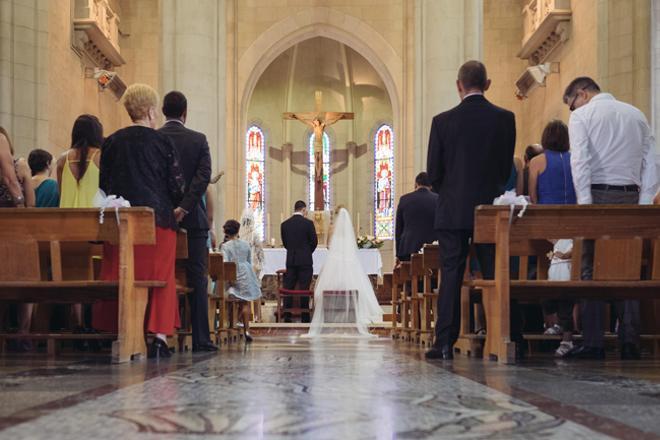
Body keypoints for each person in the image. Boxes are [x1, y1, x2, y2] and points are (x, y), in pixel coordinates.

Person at [425, 60, 516, 360]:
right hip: (489, 209)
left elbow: (433, 173)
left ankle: (443, 344)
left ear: (458, 85)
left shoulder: (442, 121)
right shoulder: (504, 118)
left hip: (452, 210)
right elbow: (506, 169)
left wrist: (452, 192)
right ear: (487, 84)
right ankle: (500, 338)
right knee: (494, 271)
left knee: (451, 274)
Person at [564, 76, 659, 360]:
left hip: (598, 196)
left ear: (581, 94)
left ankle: (593, 342)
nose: (572, 109)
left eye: (571, 104)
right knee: (627, 270)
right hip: (631, 197)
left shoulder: (582, 116)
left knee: (590, 268)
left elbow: (580, 161)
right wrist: (642, 204)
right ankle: (629, 340)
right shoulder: (636, 114)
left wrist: (586, 206)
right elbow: (651, 162)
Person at [92, 83, 185, 359]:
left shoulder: (111, 142)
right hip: (156, 220)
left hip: (122, 221)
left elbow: (104, 184)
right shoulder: (163, 142)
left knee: (121, 273)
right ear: (150, 111)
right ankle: (157, 337)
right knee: (160, 276)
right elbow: (176, 187)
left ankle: (116, 330)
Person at [157, 91, 216, 353]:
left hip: (159, 218)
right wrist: (185, 207)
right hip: (194, 221)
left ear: (162, 111)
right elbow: (203, 178)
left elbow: (154, 177)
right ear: (185, 112)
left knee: (161, 274)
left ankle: (158, 335)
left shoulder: (154, 139)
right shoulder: (198, 140)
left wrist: (170, 208)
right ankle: (201, 339)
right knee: (197, 278)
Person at [528, 119, 577, 357]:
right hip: (573, 224)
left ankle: (554, 323)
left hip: (547, 227)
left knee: (547, 272)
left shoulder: (537, 162)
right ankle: (562, 327)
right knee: (566, 273)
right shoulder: (575, 159)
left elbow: (533, 197)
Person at [306, 208, 383, 337]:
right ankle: (356, 312)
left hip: (334, 260)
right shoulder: (350, 229)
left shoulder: (331, 229)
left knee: (327, 284)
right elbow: (352, 246)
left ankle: (329, 313)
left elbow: (328, 246)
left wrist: (335, 252)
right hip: (349, 260)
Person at [220, 219, 262, 342]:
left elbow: (226, 263)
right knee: (245, 303)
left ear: (226, 232)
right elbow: (249, 261)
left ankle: (231, 324)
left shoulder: (225, 246)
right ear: (238, 231)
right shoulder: (245, 244)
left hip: (233, 274)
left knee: (230, 299)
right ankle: (246, 330)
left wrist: (231, 279)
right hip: (246, 274)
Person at [280, 201, 318, 322]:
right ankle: (305, 317)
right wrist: (307, 252)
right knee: (304, 288)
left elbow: (285, 243)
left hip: (291, 260)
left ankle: (287, 316)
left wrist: (293, 251)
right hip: (305, 261)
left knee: (288, 287)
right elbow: (314, 242)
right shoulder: (308, 224)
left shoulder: (285, 224)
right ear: (303, 210)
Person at [57, 115, 102, 208]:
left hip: (67, 218)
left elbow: (61, 193)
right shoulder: (100, 157)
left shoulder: (62, 159)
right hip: (93, 217)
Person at [395, 171, 438, 264]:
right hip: (432, 248)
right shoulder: (438, 199)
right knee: (432, 276)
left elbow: (399, 228)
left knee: (408, 277)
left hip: (408, 247)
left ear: (416, 184)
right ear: (431, 185)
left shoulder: (404, 199)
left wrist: (398, 253)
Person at [0, 127, 33, 208]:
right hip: (9, 215)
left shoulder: (19, 165)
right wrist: (20, 202)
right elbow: (10, 179)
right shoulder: (20, 165)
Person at [240, 208, 265, 281]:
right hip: (251, 260)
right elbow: (259, 248)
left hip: (241, 260)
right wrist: (261, 259)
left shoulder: (239, 233)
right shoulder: (254, 233)